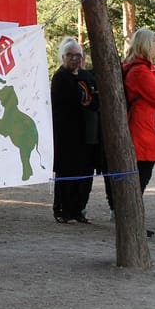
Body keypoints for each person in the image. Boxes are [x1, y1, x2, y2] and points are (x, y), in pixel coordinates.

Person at [121, 28, 155, 236]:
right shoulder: (140, 72)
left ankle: (134, 224)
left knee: (140, 181)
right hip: (143, 133)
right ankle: (133, 226)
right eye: (154, 44)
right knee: (138, 182)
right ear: (145, 45)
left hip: (148, 132)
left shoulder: (148, 70)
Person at [50, 37, 100, 224]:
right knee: (66, 173)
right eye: (70, 55)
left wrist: (90, 101)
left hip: (86, 135)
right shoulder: (60, 77)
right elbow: (69, 103)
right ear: (63, 57)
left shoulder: (87, 76)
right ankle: (62, 209)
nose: (74, 59)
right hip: (66, 135)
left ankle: (79, 209)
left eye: (78, 55)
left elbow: (94, 102)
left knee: (84, 174)